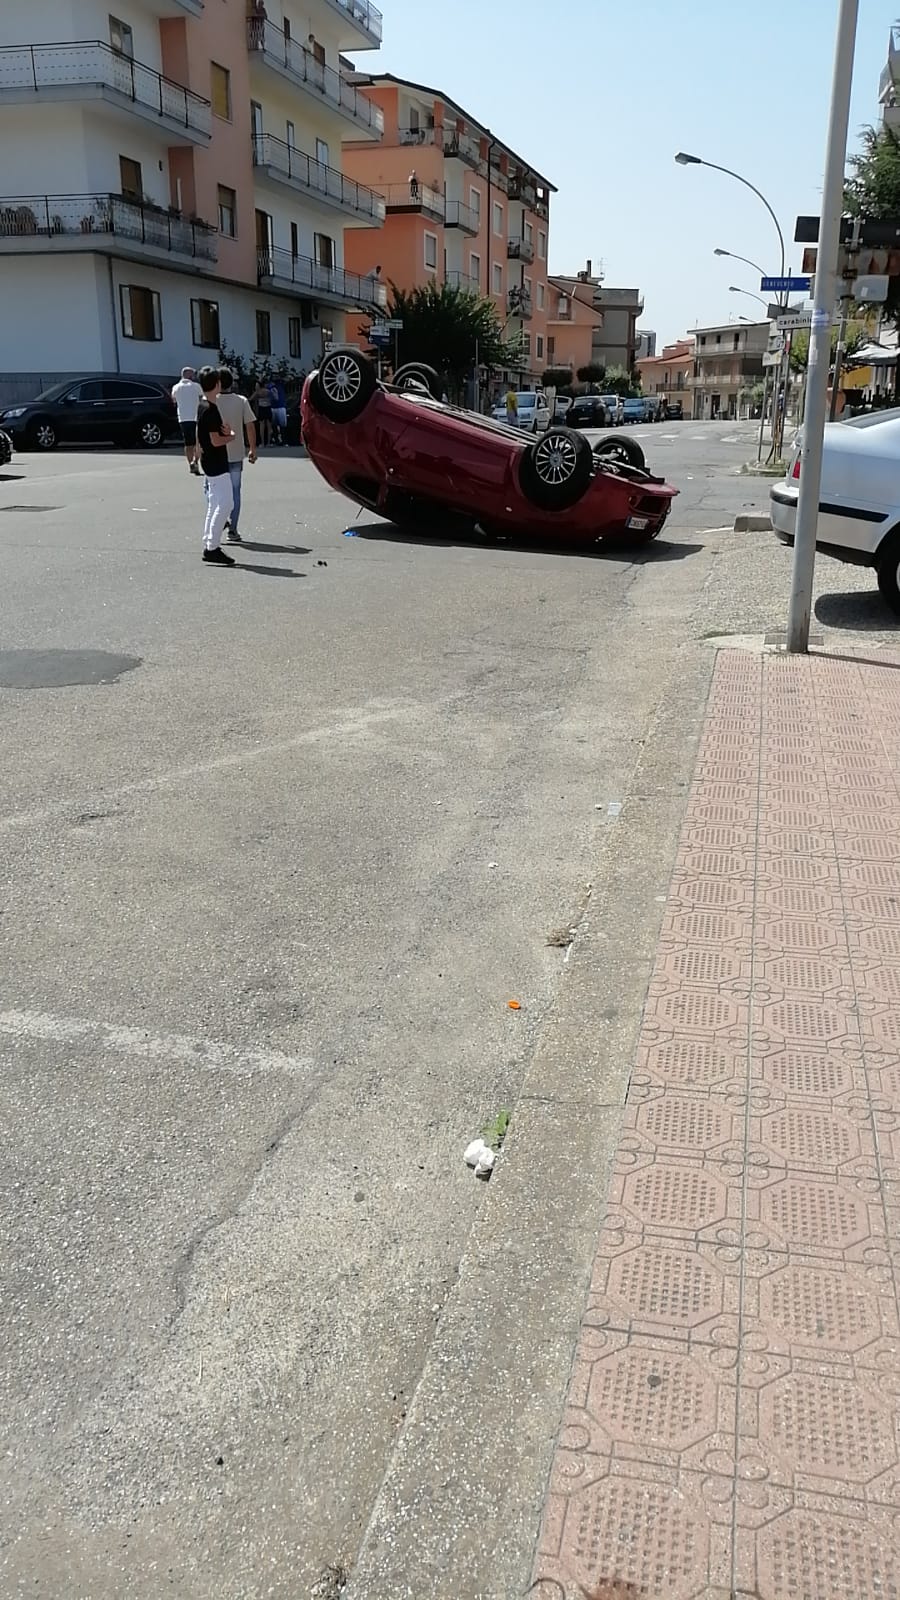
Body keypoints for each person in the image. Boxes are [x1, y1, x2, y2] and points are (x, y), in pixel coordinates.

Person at [197, 366, 236, 567]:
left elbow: (205, 437)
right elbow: (215, 441)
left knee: (214, 503)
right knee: (226, 503)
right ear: (217, 384)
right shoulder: (210, 410)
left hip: (209, 462)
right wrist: (231, 436)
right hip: (216, 463)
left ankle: (209, 542)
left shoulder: (203, 405)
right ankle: (212, 547)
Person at [217, 368, 257, 544]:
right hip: (235, 454)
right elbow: (250, 425)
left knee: (213, 491)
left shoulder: (210, 401)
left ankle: (220, 519)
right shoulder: (241, 401)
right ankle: (233, 529)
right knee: (235, 492)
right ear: (231, 382)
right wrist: (252, 449)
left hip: (215, 454)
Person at [171, 365, 202, 475]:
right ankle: (195, 461)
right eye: (192, 374)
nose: (194, 376)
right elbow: (202, 398)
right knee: (198, 443)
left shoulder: (176, 387)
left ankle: (190, 463)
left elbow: (173, 399)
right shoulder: (196, 386)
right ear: (189, 375)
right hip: (195, 417)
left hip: (183, 418)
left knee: (188, 443)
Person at [252, 378, 272, 447]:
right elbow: (274, 398)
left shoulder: (258, 392)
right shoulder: (269, 391)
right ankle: (269, 442)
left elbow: (251, 398)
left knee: (262, 426)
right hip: (268, 408)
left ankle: (262, 443)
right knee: (269, 426)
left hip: (261, 408)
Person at [268, 376, 287, 445]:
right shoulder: (270, 385)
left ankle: (283, 440)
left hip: (280, 406)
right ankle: (277, 440)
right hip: (274, 407)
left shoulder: (280, 384)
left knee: (282, 425)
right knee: (274, 425)